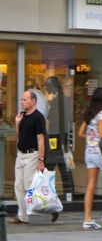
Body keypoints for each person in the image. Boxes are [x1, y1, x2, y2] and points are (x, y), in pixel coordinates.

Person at [11, 90, 58, 224]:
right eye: (21, 99)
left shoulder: (38, 117)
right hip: (21, 154)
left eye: (25, 99)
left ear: (33, 101)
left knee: (29, 186)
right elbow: (19, 138)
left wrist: (41, 160)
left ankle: (52, 207)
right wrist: (17, 123)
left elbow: (41, 140)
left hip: (32, 154)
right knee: (18, 186)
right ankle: (22, 216)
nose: (22, 102)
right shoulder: (23, 116)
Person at [78, 87, 102, 229]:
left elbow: (80, 132)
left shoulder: (89, 113)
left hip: (89, 152)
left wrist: (91, 138)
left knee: (90, 186)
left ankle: (87, 219)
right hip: (100, 153)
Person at [44, 76, 74, 202]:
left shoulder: (60, 101)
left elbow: (56, 120)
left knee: (54, 167)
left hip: (57, 138)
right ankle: (67, 194)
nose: (46, 89)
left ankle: (62, 194)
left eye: (47, 86)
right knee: (60, 167)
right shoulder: (59, 100)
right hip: (59, 138)